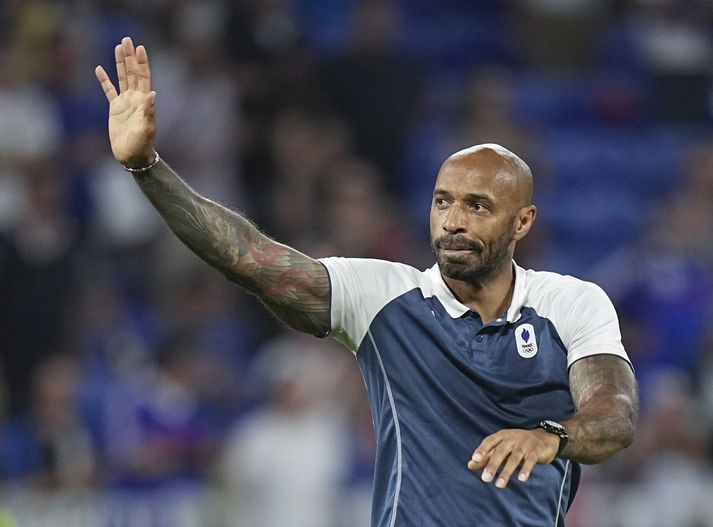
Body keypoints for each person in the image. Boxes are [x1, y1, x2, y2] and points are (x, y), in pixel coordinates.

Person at [95, 37, 638, 526]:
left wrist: (552, 437)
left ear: (522, 222)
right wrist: (147, 167)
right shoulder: (383, 297)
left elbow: (614, 412)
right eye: (442, 202)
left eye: (478, 206)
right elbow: (251, 258)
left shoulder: (570, 303)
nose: (453, 221)